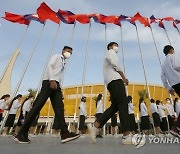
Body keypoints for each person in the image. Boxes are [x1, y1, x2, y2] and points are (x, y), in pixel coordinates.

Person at [14, 46, 80, 143]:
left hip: (56, 86)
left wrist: (59, 88)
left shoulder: (64, 62)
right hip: (49, 83)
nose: (69, 53)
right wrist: (52, 79)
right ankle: (21, 134)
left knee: (59, 108)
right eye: (67, 51)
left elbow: (59, 75)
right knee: (37, 107)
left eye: (70, 52)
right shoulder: (57, 56)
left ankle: (65, 133)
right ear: (63, 51)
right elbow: (50, 66)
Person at [88, 42, 132, 144]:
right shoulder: (110, 52)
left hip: (111, 83)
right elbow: (115, 63)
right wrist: (123, 77)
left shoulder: (108, 56)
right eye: (115, 45)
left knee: (115, 106)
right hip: (116, 81)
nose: (116, 48)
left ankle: (95, 126)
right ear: (110, 47)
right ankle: (126, 134)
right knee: (123, 104)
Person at [161, 45, 180, 137]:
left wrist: (169, 88)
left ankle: (176, 127)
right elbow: (177, 66)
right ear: (172, 50)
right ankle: (176, 127)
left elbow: (163, 77)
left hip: (174, 84)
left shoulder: (164, 64)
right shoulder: (173, 57)